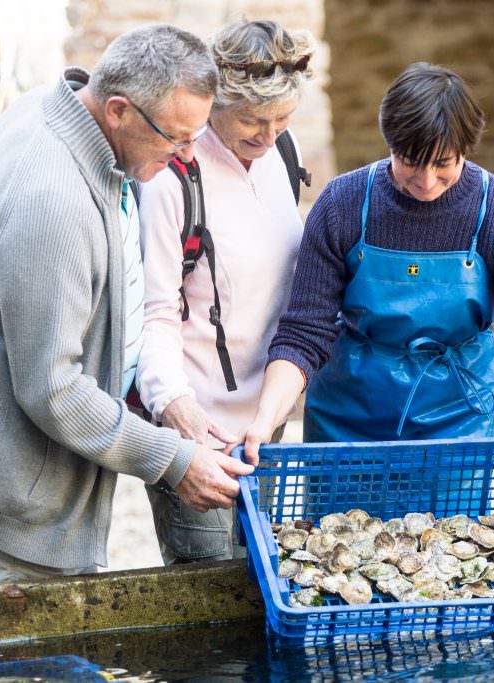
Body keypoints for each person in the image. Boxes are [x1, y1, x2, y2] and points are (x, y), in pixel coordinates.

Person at [0, 25, 254, 584]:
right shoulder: (52, 201)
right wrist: (172, 460)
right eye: (176, 138)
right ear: (118, 109)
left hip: (16, 452)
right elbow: (53, 389)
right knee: (31, 664)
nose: (185, 157)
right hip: (17, 487)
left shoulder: (49, 108)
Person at [242, 63, 494, 524]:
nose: (425, 181)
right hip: (348, 423)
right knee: (341, 553)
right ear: (389, 144)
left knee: (453, 551)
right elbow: (305, 331)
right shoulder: (342, 203)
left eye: (443, 164)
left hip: (456, 423)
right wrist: (265, 422)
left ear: (466, 149)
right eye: (409, 161)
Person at [136, 20, 313, 564]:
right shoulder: (173, 178)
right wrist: (174, 406)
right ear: (213, 103)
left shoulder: (283, 152)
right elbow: (155, 309)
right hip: (198, 425)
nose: (268, 134)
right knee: (211, 581)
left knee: (268, 574)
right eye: (252, 120)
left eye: (281, 119)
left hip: (269, 420)